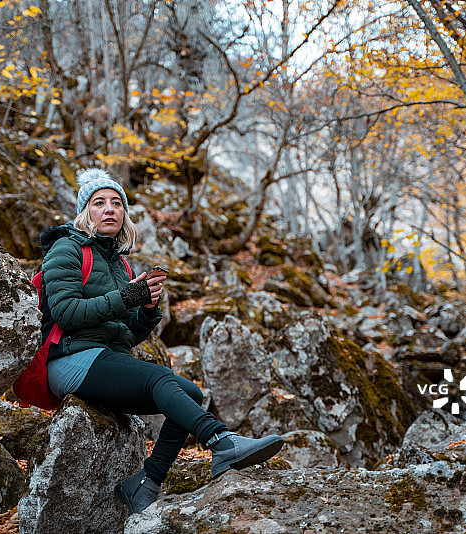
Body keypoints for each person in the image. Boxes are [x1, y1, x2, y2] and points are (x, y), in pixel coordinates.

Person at [39, 168, 284, 515]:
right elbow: (65, 312)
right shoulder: (66, 249)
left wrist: (147, 310)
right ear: (85, 213)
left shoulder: (120, 264)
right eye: (99, 203)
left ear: (124, 213)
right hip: (70, 360)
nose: (109, 209)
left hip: (107, 359)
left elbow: (128, 334)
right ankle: (221, 441)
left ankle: (146, 483)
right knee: (159, 379)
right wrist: (126, 297)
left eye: (116, 203)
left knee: (192, 393)